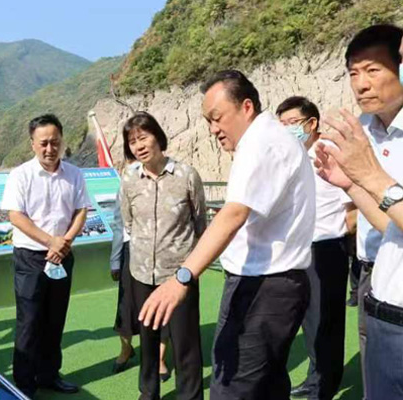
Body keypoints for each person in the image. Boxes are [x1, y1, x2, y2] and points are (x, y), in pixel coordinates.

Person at [139, 70, 315, 399]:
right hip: (272, 283)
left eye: (217, 117)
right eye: (208, 121)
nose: (213, 129)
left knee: (232, 387)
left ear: (246, 107)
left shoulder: (261, 143)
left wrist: (182, 278)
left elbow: (233, 214)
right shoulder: (268, 139)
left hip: (265, 286)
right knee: (266, 385)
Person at [314, 24, 403, 400]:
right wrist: (348, 184)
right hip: (380, 289)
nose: (361, 84)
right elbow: (391, 224)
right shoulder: (361, 129)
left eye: (373, 70)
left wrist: (370, 176)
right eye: (353, 73)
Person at [120, 111, 207, 400]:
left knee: (185, 342)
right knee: (147, 338)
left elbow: (200, 224)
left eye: (143, 137)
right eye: (132, 141)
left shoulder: (186, 175)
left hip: (179, 275)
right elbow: (128, 222)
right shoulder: (129, 179)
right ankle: (148, 393)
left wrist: (188, 266)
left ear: (157, 136)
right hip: (142, 273)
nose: (138, 146)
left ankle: (190, 396)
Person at [1, 114, 89, 398]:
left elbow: (81, 211)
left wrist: (64, 242)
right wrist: (51, 241)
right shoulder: (20, 175)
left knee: (55, 318)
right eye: (43, 143)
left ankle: (49, 375)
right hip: (31, 258)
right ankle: (25, 385)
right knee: (29, 321)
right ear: (32, 144)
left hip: (63, 255)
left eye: (55, 142)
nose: (50, 148)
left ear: (62, 141)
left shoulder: (74, 174)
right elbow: (16, 216)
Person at [276, 97, 354, 399]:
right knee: (309, 319)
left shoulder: (330, 153)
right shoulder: (293, 157)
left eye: (292, 123)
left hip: (328, 247)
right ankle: (315, 377)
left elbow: (351, 208)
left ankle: (324, 386)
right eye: (282, 125)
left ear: (312, 123)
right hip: (300, 249)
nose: (288, 130)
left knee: (326, 320)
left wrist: (346, 239)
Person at [109, 157, 172, 380]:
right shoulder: (127, 180)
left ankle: (160, 358)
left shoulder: (168, 178)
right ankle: (126, 349)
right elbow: (118, 224)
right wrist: (115, 260)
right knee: (127, 305)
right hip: (132, 250)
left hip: (162, 251)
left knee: (161, 305)